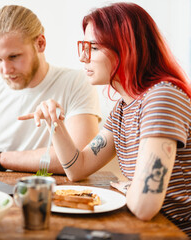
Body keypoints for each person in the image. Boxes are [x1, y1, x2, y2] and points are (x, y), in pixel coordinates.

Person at [19, 2, 191, 236]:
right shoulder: (123, 107)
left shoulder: (162, 97)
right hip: (145, 225)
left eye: (94, 48)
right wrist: (55, 123)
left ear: (128, 48)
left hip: (172, 232)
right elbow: (78, 169)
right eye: (83, 46)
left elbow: (143, 206)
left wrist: (129, 186)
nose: (82, 57)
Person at [0, 5, 101, 174]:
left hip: (53, 191)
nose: (6, 70)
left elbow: (78, 157)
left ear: (40, 44)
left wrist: (0, 159)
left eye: (13, 57)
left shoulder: (76, 83)